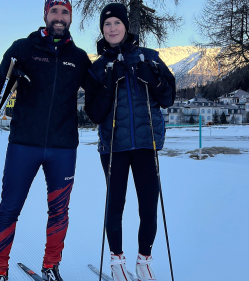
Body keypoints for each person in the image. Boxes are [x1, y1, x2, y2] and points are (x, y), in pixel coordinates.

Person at [0, 0, 91, 280]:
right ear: (45, 15)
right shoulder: (22, 49)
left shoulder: (79, 58)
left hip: (63, 148)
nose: (59, 18)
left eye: (65, 12)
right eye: (55, 12)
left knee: (59, 211)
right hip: (23, 144)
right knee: (9, 208)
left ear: (70, 17)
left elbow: (99, 98)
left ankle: (51, 266)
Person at [83, 3, 175, 281]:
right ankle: (116, 262)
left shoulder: (150, 58)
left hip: (147, 144)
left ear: (126, 27)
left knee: (149, 205)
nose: (112, 28)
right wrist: (109, 85)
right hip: (113, 147)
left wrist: (154, 82)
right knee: (116, 204)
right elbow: (94, 113)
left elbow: (168, 97)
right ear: (102, 30)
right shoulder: (97, 67)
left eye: (117, 23)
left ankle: (144, 261)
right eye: (107, 24)